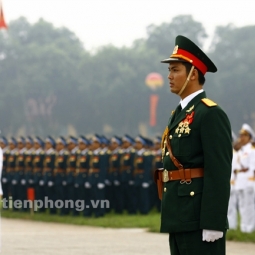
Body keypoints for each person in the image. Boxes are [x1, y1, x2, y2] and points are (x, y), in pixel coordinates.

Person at [155, 35, 232, 255]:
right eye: (169, 70)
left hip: (198, 218)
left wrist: (213, 222)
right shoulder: (178, 114)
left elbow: (218, 171)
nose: (169, 76)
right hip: (178, 214)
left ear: (193, 74)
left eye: (175, 70)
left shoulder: (209, 114)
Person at [235, 123, 255, 233]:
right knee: (242, 205)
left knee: (249, 205)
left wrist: (251, 182)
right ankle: (243, 227)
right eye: (240, 135)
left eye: (244, 135)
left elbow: (253, 167)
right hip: (240, 180)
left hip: (248, 180)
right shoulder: (241, 150)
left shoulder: (252, 150)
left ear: (249, 137)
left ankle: (250, 227)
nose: (241, 137)